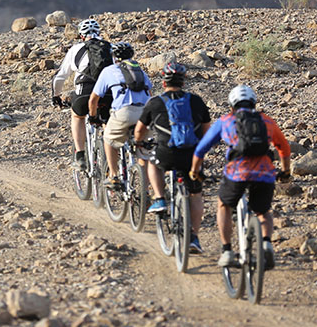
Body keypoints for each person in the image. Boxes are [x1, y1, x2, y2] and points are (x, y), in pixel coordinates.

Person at [190, 84, 290, 270]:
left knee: (224, 204)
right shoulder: (267, 121)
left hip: (237, 173)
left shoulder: (225, 121)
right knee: (263, 211)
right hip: (264, 172)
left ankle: (227, 250)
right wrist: (285, 171)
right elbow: (283, 147)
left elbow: (201, 149)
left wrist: (195, 171)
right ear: (253, 103)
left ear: (231, 105)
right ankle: (267, 243)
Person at [134, 62, 211, 253]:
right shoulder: (196, 101)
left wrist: (139, 142)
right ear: (184, 82)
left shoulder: (155, 102)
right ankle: (193, 237)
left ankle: (160, 198)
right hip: (191, 156)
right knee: (195, 194)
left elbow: (139, 131)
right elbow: (207, 131)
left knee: (153, 163)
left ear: (163, 83)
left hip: (166, 153)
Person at [51, 18, 113, 170]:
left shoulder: (76, 49)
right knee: (106, 120)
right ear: (99, 33)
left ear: (81, 35)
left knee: (77, 115)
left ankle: (80, 155)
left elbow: (60, 77)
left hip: (84, 91)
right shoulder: (110, 47)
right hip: (107, 91)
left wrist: (56, 95)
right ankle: (111, 161)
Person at [89, 41, 152, 186]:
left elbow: (93, 99)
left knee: (108, 138)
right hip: (145, 114)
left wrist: (93, 117)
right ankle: (145, 190)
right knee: (143, 149)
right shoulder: (140, 71)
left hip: (124, 113)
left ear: (114, 57)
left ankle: (114, 175)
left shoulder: (109, 70)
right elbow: (149, 93)